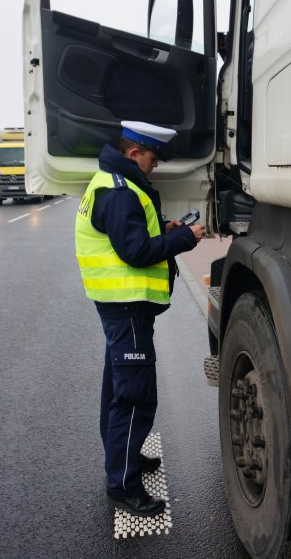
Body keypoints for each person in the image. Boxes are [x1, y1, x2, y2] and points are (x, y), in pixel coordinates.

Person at [74, 120, 204, 517]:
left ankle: (124, 458)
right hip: (126, 306)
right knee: (134, 397)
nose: (155, 164)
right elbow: (135, 252)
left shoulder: (114, 183)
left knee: (118, 390)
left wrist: (163, 228)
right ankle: (123, 485)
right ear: (134, 154)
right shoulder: (119, 191)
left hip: (121, 306)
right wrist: (184, 238)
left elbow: (131, 234)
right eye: (152, 157)